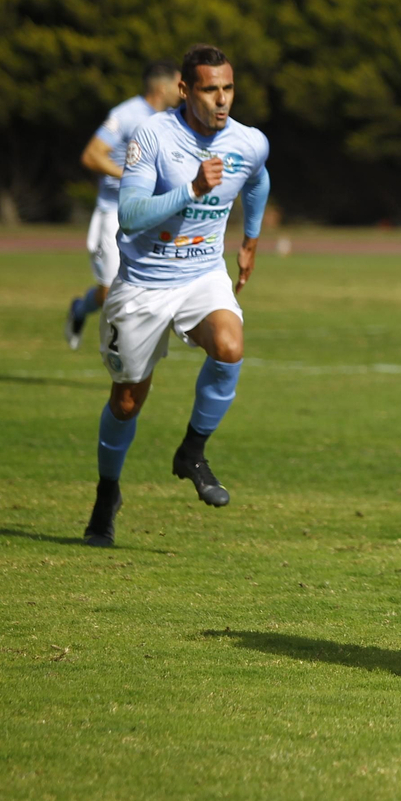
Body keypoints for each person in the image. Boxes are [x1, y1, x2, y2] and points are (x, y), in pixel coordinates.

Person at [84, 44, 271, 547]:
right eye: (210, 89)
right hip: (143, 285)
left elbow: (258, 178)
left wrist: (250, 242)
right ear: (186, 90)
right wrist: (190, 188)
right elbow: (131, 215)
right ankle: (107, 493)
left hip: (201, 277)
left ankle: (192, 451)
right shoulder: (153, 135)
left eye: (228, 88)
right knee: (127, 401)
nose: (221, 99)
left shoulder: (248, 141)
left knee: (230, 345)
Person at [65, 62, 182, 349]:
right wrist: (133, 176)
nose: (183, 92)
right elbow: (92, 156)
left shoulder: (173, 120)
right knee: (109, 292)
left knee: (151, 287)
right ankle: (80, 309)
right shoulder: (126, 114)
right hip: (115, 213)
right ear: (162, 87)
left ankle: (136, 361)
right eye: (179, 85)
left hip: (152, 215)